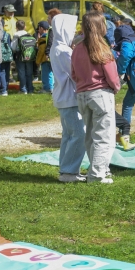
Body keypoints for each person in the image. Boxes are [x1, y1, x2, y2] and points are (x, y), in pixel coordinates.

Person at [71, 10, 121, 184]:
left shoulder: (77, 49)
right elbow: (112, 76)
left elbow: (74, 73)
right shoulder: (102, 48)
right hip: (100, 94)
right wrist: (116, 87)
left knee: (91, 136)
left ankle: (97, 169)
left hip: (82, 95)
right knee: (104, 137)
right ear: (101, 26)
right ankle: (97, 174)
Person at [51, 14, 87, 183]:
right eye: (71, 30)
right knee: (79, 134)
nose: (73, 33)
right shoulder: (63, 51)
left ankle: (66, 168)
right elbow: (75, 72)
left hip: (63, 96)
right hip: (69, 97)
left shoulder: (58, 47)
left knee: (68, 135)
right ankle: (69, 171)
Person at [11, 20, 36, 94]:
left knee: (22, 73)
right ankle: (30, 89)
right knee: (29, 72)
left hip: (20, 56)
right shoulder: (29, 35)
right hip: (30, 56)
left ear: (16, 27)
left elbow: (13, 47)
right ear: (25, 27)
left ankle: (23, 89)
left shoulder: (16, 35)